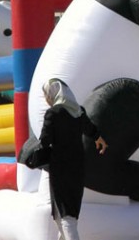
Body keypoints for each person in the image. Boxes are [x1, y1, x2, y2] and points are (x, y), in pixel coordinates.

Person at [39, 78, 108, 240]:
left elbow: (45, 141)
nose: (46, 98)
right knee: (64, 215)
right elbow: (91, 130)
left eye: (47, 94)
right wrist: (99, 139)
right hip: (77, 167)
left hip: (60, 168)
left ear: (53, 94)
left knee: (66, 217)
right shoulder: (78, 112)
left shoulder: (53, 113)